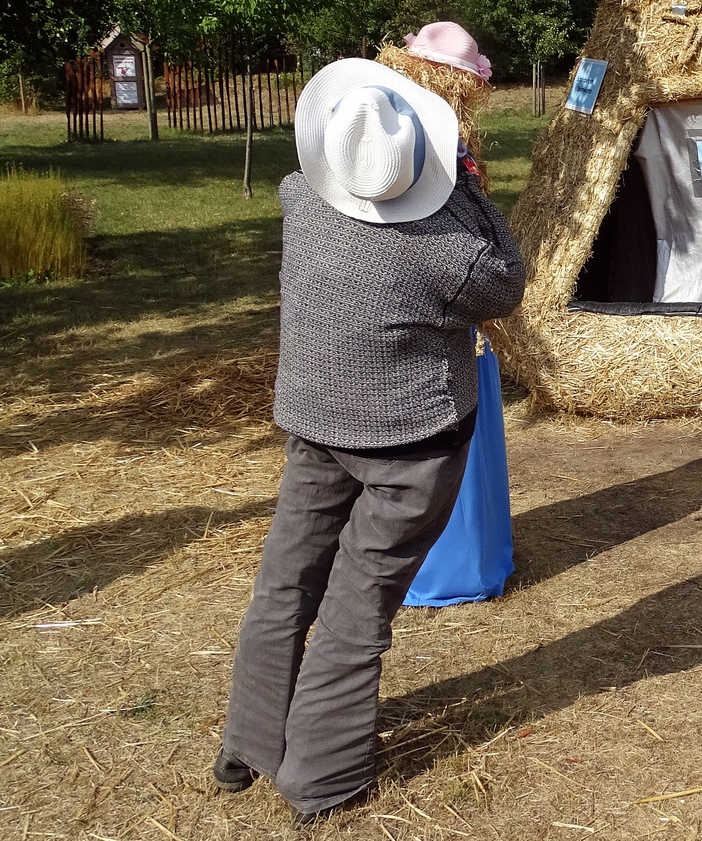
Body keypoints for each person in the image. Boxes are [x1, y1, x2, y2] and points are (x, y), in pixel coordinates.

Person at [212, 56, 525, 823]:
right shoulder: (454, 250)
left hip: (315, 422)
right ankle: (320, 781)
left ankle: (247, 746)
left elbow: (315, 176)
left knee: (287, 581)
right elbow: (508, 284)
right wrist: (471, 189)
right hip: (411, 444)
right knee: (359, 605)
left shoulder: (297, 199)